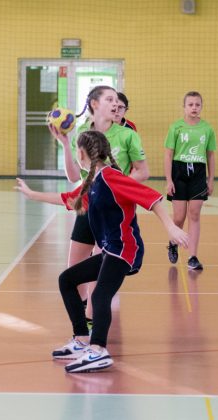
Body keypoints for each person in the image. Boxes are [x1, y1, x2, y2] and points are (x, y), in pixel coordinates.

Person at [15, 130, 188, 373]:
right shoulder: (94, 182)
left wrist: (170, 228)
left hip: (125, 250)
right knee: (67, 280)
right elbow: (68, 199)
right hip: (110, 250)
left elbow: (152, 198)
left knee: (99, 296)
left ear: (82, 154)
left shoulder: (111, 177)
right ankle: (81, 340)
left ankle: (98, 350)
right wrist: (32, 194)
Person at [49, 86, 149, 325]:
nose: (116, 104)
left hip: (112, 210)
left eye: (117, 101)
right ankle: (82, 316)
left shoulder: (127, 135)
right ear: (94, 104)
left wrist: (116, 187)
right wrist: (65, 144)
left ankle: (92, 322)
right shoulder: (83, 131)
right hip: (87, 205)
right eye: (110, 99)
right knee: (73, 270)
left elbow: (143, 172)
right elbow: (74, 176)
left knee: (100, 269)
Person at [164, 91, 216, 270]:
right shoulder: (176, 127)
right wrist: (169, 180)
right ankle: (173, 243)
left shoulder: (207, 129)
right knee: (179, 217)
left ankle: (193, 257)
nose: (194, 108)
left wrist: (211, 179)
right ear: (184, 107)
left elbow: (210, 155)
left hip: (198, 172)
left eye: (197, 105)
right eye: (190, 104)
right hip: (179, 171)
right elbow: (168, 155)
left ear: (201, 107)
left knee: (194, 215)